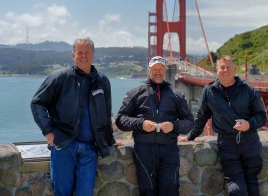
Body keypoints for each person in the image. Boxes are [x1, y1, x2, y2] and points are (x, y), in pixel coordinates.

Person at [31, 37, 118, 196]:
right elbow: (37, 103)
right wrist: (48, 132)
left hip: (90, 149)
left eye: (87, 52)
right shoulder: (60, 77)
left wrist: (110, 139)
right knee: (62, 193)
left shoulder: (102, 81)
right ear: (73, 55)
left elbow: (105, 114)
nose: (84, 56)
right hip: (64, 145)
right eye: (80, 52)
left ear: (93, 54)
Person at [178, 55, 266, 196]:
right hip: (227, 143)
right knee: (236, 188)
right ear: (216, 70)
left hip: (250, 141)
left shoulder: (249, 90)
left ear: (234, 69)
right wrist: (191, 136)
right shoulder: (209, 90)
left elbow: (261, 117)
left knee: (252, 183)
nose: (225, 70)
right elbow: (202, 116)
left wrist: (248, 124)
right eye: (222, 67)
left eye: (228, 67)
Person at [115, 56, 194, 196]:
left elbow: (189, 122)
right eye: (155, 69)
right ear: (148, 71)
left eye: (161, 69)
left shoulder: (177, 95)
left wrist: (174, 125)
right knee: (148, 191)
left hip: (169, 150)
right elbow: (120, 120)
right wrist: (141, 124)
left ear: (165, 71)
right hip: (144, 150)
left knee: (170, 190)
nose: (158, 72)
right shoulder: (134, 93)